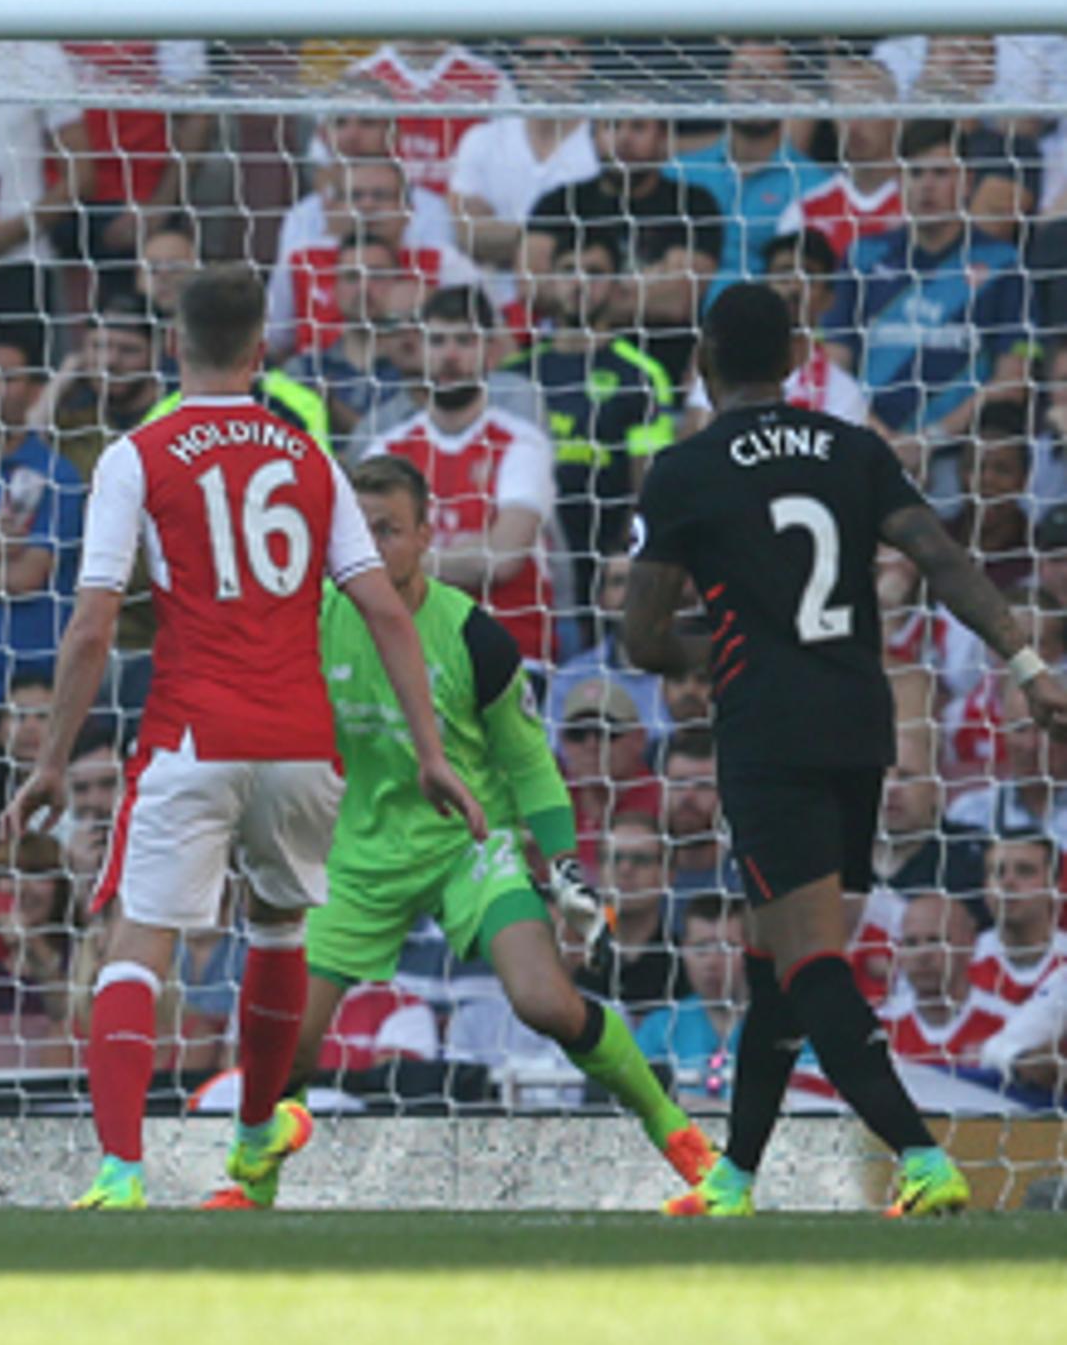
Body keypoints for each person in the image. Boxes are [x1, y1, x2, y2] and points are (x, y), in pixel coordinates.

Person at [7, 267, 481, 1211]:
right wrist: (432, 751)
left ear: (174, 349)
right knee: (276, 928)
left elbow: (93, 624)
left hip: (193, 731)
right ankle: (257, 1134)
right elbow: (384, 609)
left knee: (135, 944)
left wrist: (53, 759)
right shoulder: (308, 456)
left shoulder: (136, 453)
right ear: (260, 352)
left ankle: (120, 1169)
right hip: (301, 745)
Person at [623, 282, 1063, 1220]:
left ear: (702, 362)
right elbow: (942, 562)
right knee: (776, 953)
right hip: (862, 726)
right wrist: (1025, 662)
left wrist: (734, 638)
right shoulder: (853, 450)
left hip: (768, 729)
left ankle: (920, 1154)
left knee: (805, 952)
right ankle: (733, 1176)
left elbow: (643, 640)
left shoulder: (684, 469)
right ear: (793, 360)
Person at [216, 455, 713, 1207]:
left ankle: (676, 1132)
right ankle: (253, 1190)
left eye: (388, 529)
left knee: (544, 1002)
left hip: (470, 848)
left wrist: (565, 867)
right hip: (353, 856)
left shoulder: (476, 639)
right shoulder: (311, 622)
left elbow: (529, 766)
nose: (371, 545)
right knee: (286, 1043)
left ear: (424, 533)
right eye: (356, 529)